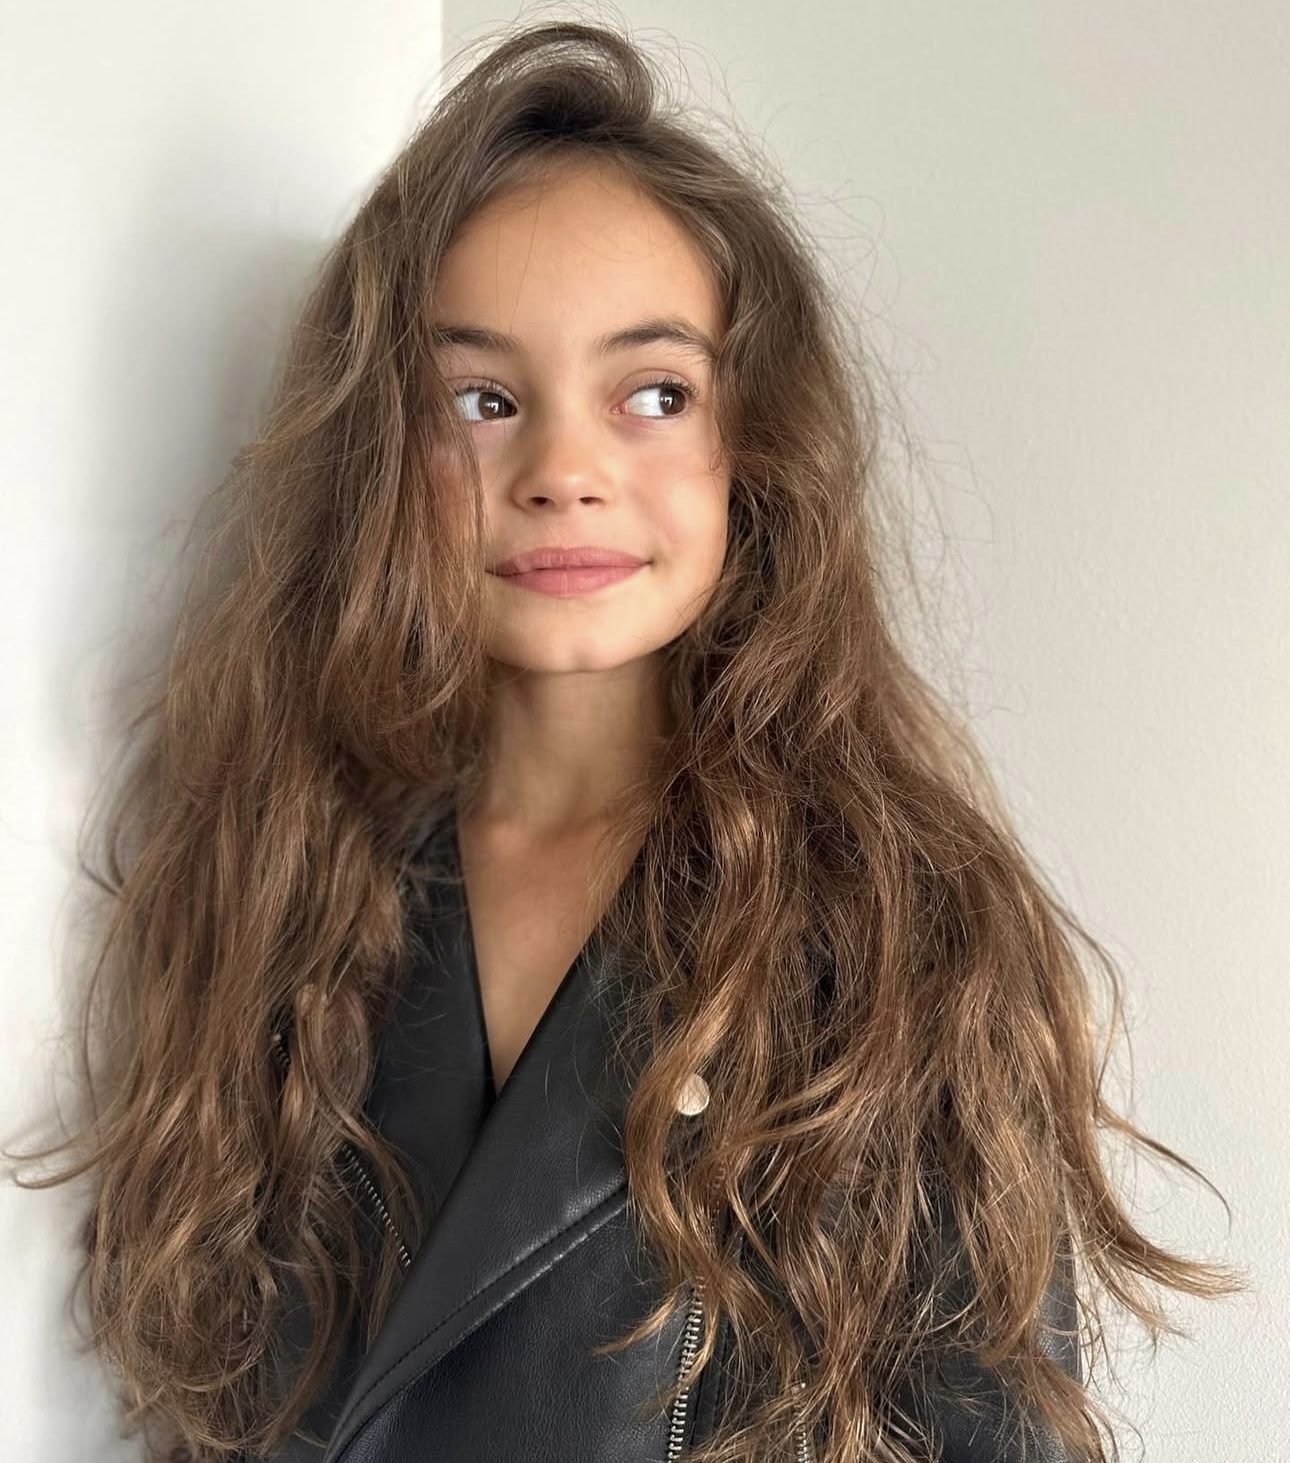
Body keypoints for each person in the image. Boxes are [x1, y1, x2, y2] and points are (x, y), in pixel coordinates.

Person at [15, 18, 1239, 1463]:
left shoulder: (905, 922)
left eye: (653, 394)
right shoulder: (282, 876)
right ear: (379, 455)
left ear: (751, 449)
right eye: (481, 402)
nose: (563, 472)